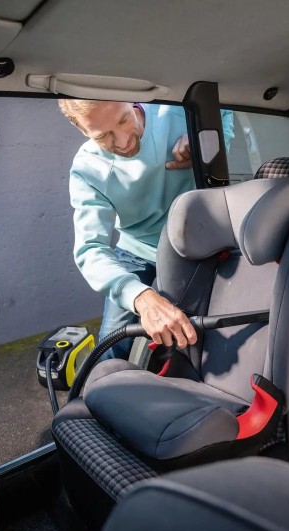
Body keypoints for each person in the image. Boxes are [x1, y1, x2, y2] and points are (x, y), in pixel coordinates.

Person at [58, 99, 234, 359]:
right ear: (82, 129)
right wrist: (140, 297)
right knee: (110, 348)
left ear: (130, 98)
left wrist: (203, 146)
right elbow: (90, 249)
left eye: (123, 120)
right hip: (137, 253)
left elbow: (224, 109)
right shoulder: (87, 170)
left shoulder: (176, 110)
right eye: (103, 136)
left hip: (201, 243)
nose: (123, 141)